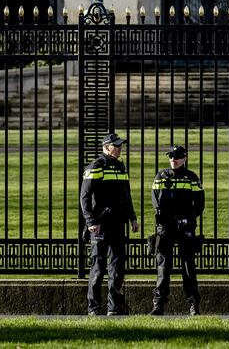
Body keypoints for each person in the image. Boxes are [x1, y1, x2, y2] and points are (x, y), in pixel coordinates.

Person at [80, 132, 139, 316]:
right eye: (117, 145)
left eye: (120, 145)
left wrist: (132, 217)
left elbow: (126, 195)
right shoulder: (96, 167)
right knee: (98, 267)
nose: (120, 148)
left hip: (117, 223)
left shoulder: (120, 167)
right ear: (106, 147)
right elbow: (85, 197)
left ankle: (114, 308)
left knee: (117, 267)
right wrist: (91, 221)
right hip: (100, 225)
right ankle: (94, 308)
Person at [150, 145, 205, 316]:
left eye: (177, 157)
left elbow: (200, 203)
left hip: (185, 227)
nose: (173, 160)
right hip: (166, 227)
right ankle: (159, 305)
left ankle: (193, 305)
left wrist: (189, 219)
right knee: (163, 267)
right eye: (171, 157)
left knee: (188, 267)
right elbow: (155, 201)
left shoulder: (191, 177)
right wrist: (164, 220)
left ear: (184, 158)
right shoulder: (161, 176)